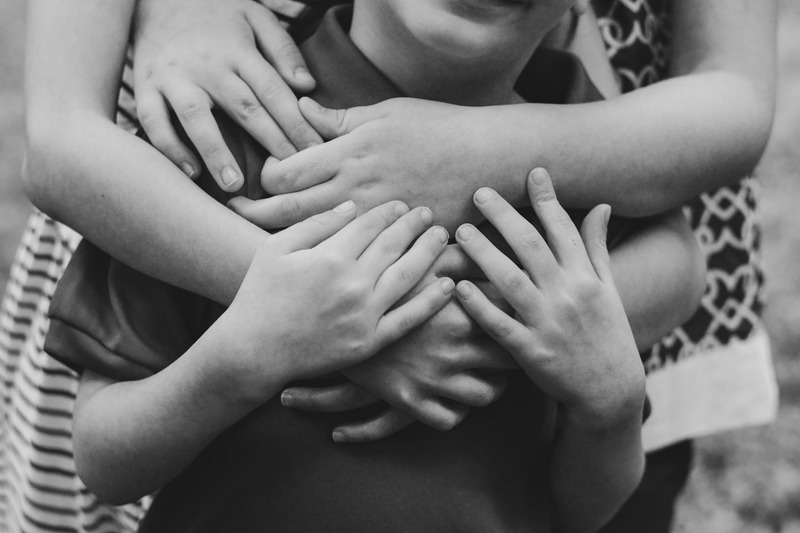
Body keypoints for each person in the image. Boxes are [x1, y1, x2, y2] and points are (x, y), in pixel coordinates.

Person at [40, 0, 706, 531]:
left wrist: (614, 404)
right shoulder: (219, 124)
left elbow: (581, 509)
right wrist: (245, 355)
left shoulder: (583, 160)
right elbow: (103, 459)